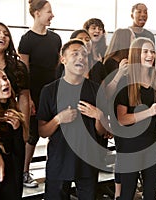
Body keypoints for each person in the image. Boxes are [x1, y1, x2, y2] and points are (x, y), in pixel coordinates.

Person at [37, 39, 107, 199]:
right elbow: (42, 132)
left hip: (88, 162)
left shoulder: (96, 90)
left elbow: (102, 131)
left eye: (84, 54)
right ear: (63, 59)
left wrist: (99, 116)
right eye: (75, 54)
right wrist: (58, 119)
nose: (81, 57)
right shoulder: (49, 91)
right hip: (59, 161)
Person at [114, 37, 156, 199]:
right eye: (145, 51)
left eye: (152, 51)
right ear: (136, 54)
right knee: (127, 193)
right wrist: (150, 112)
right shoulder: (125, 81)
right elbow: (122, 119)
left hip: (151, 144)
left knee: (151, 193)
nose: (150, 55)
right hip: (130, 146)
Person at [18, 0, 62, 188]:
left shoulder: (56, 39)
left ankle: (56, 169)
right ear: (37, 13)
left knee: (56, 131)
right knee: (32, 135)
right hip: (33, 93)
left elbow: (56, 67)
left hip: (52, 91)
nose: (52, 15)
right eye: (48, 12)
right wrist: (28, 99)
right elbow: (23, 71)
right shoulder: (26, 39)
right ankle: (24, 172)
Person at [0, 22, 30, 196]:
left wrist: (22, 127)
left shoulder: (17, 66)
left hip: (10, 120)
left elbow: (25, 97)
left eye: (6, 33)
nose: (2, 36)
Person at [103, 28, 135, 200]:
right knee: (123, 154)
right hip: (116, 112)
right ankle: (119, 192)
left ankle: (126, 189)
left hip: (132, 110)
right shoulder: (110, 63)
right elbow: (107, 92)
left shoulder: (131, 60)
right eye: (131, 38)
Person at [0, 66, 26, 199]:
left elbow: (19, 154)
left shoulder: (12, 113)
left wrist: (17, 130)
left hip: (9, 181)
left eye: (5, 78)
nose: (4, 82)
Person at [83, 18, 107, 85]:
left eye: (100, 29)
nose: (97, 31)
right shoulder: (82, 52)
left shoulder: (106, 50)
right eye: (93, 28)